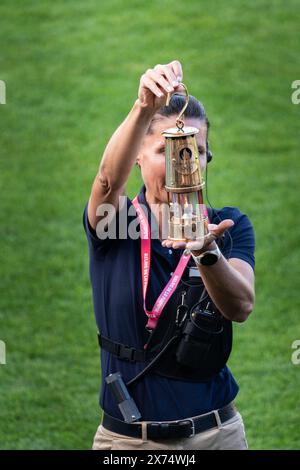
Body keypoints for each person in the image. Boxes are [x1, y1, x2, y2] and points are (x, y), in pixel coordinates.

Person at [83, 60, 255, 450]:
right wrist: (143, 106)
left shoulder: (227, 226)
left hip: (215, 435)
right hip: (126, 443)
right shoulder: (115, 222)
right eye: (167, 149)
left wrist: (206, 251)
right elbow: (107, 181)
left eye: (197, 150)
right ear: (137, 156)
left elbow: (241, 305)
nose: (184, 162)